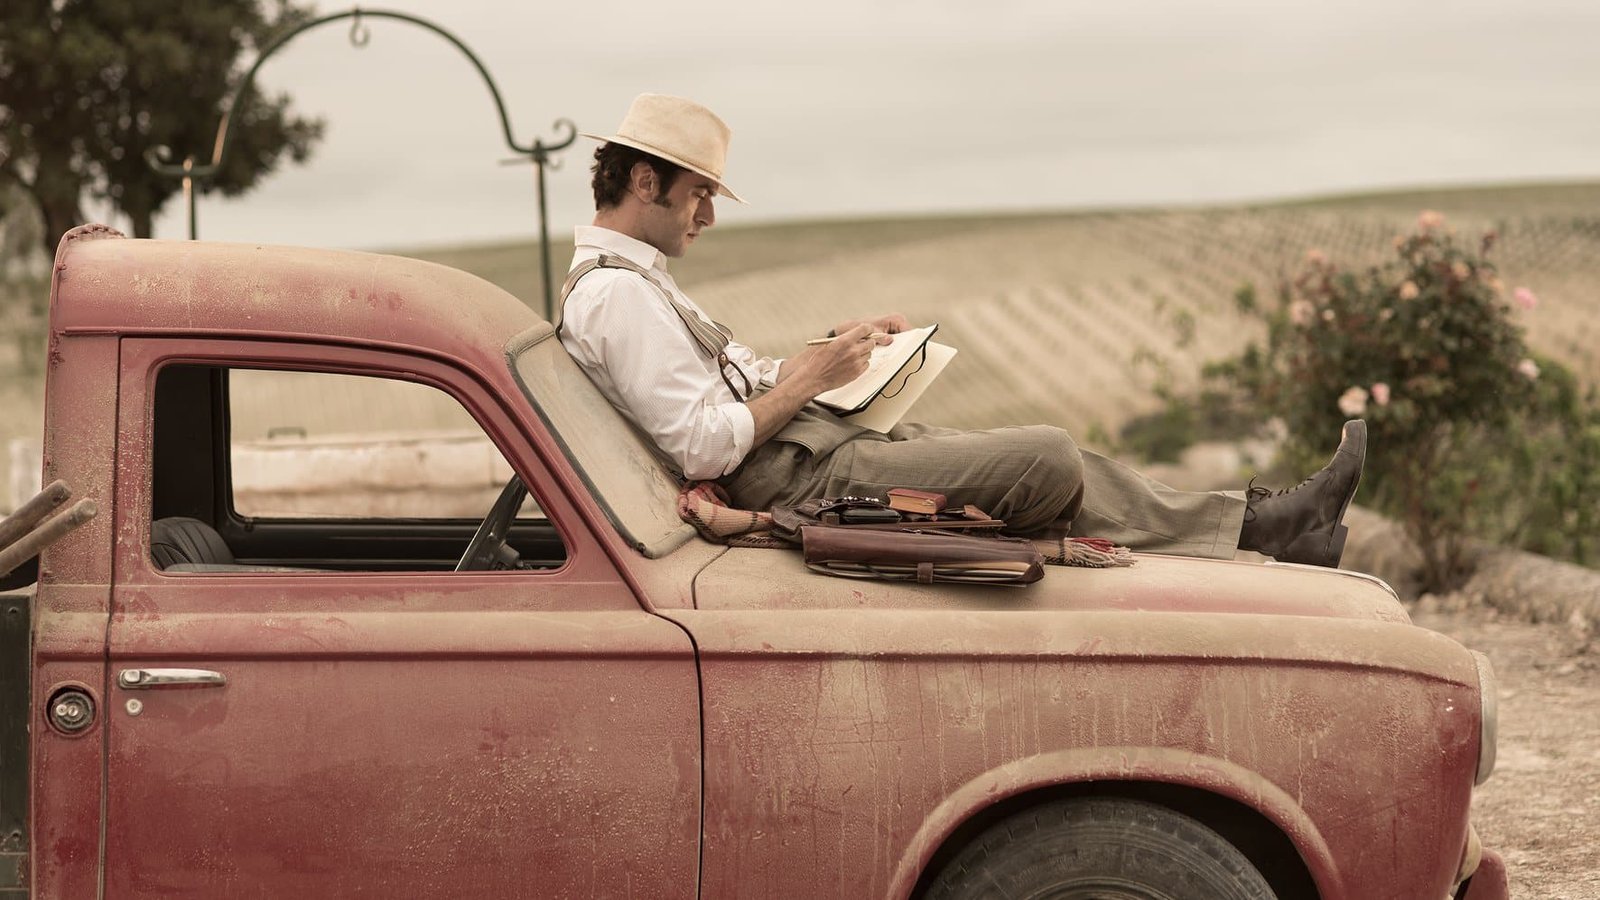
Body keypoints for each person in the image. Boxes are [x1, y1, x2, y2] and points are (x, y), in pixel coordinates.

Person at [558, 93, 1365, 567]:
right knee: (1043, 456)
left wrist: (840, 352)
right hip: (791, 481)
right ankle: (1265, 527)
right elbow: (702, 447)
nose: (706, 214)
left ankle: (1262, 523)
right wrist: (810, 380)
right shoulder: (616, 298)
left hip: (805, 450)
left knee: (1039, 455)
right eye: (699, 192)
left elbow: (727, 382)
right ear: (641, 180)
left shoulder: (636, 285)